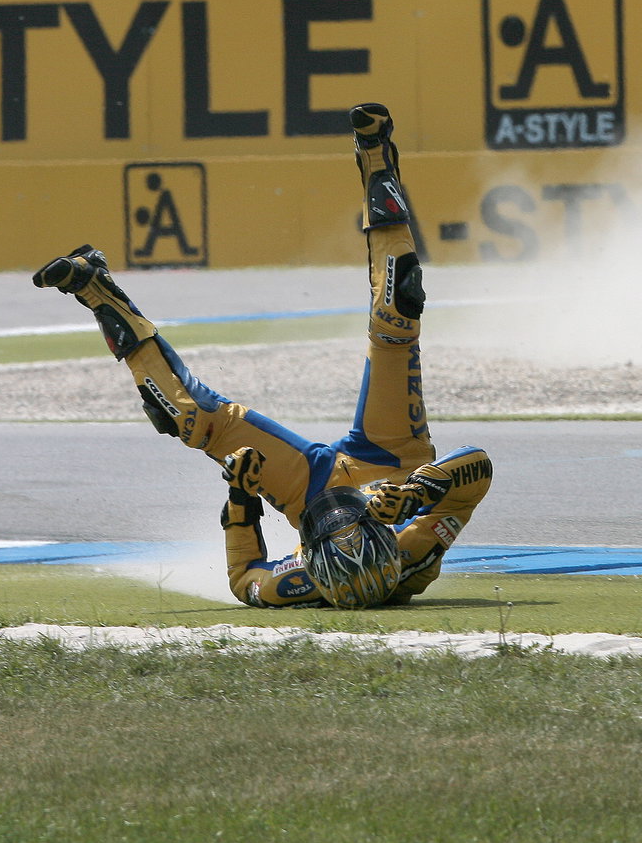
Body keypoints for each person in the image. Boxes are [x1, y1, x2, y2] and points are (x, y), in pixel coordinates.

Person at [32, 103, 492, 608]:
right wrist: (420, 491)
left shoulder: (295, 584)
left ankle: (96, 290)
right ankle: (377, 154)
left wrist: (241, 496)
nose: (340, 516)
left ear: (312, 562)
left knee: (188, 420)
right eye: (349, 521)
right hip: (394, 457)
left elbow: (243, 578)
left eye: (327, 532)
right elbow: (479, 470)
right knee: (396, 310)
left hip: (307, 487)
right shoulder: (417, 546)